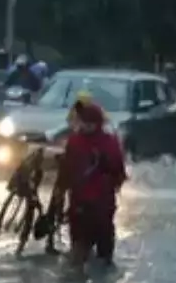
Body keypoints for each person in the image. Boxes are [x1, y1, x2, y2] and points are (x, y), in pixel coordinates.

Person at [52, 101, 127, 268]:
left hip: (102, 201)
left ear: (97, 123)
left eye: (89, 123)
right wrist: (61, 189)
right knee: (79, 244)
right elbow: (67, 168)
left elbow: (118, 170)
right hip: (79, 200)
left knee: (104, 245)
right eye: (83, 122)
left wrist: (109, 174)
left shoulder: (109, 142)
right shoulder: (75, 141)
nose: (85, 126)